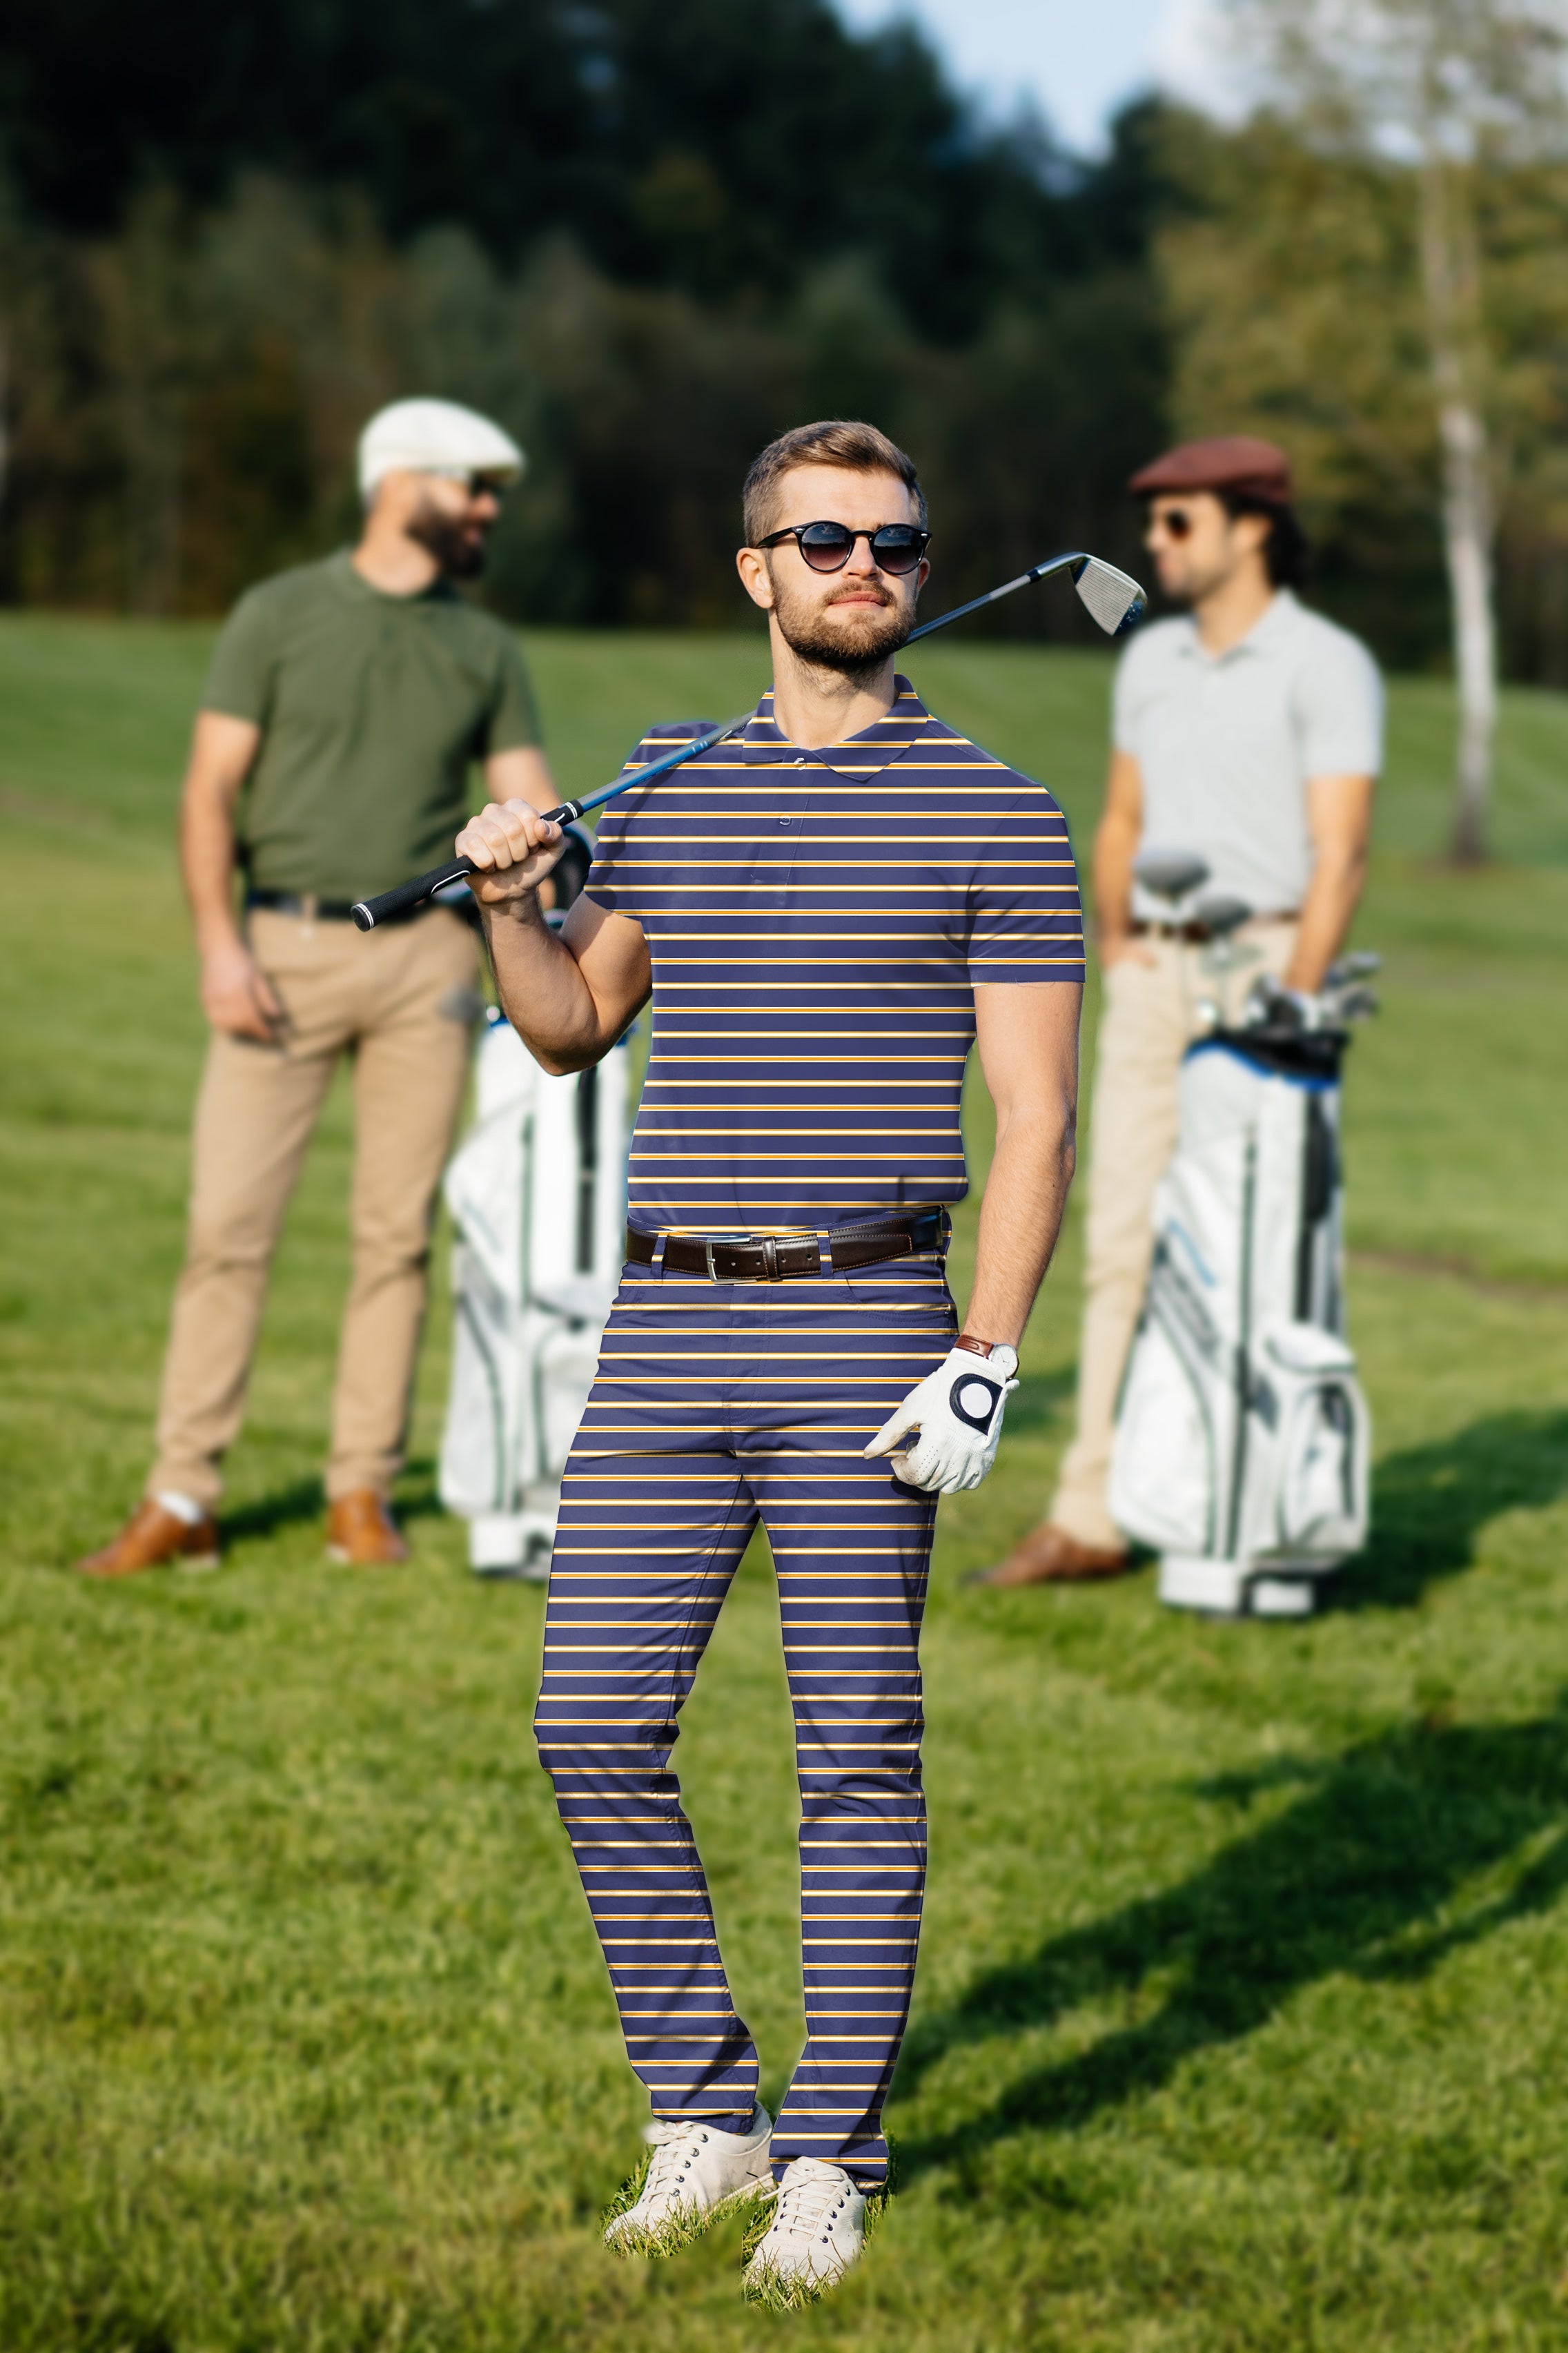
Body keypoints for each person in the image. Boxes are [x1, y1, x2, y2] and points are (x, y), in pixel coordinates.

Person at [453, 419, 1083, 2301]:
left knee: (855, 1755)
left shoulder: (997, 806)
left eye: (893, 540)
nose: (862, 566)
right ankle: (706, 2109)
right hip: (663, 1328)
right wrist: (507, 897)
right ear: (760, 575)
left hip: (869, 1319)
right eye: (823, 540)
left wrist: (988, 1352)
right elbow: (569, 1025)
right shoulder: (667, 786)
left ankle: (829, 2154)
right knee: (589, 1721)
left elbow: (1038, 1117)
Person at [77, 397, 558, 1577]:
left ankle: (360, 1496)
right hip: (278, 950)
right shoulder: (277, 614)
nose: (489, 508)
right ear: (400, 484)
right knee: (226, 1230)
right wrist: (217, 947)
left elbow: (535, 801)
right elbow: (209, 792)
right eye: (472, 486)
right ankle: (183, 1494)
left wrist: (558, 874)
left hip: (430, 967)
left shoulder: (484, 645)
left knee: (394, 1238)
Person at [978, 433, 1382, 1590]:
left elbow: (1342, 855)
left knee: (1251, 1250)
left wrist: (1293, 1005)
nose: (1155, 544)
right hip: (1154, 973)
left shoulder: (1326, 662)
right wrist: (1121, 945)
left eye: (1179, 522)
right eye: (1151, 523)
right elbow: (1120, 820)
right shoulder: (1149, 661)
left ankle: (1246, 1507)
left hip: (1266, 972)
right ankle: (1094, 1511)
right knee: (1118, 1245)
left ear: (1254, 525)